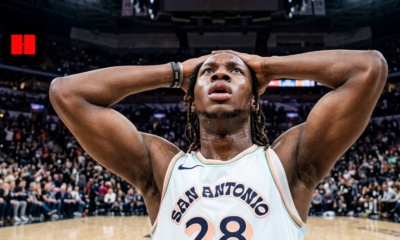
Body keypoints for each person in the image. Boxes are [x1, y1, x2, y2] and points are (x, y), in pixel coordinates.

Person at [50, 49, 387, 239]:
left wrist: (266, 66)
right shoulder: (163, 168)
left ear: (255, 100)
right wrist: (178, 71)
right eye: (208, 71)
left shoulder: (288, 163)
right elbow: (67, 93)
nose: (220, 74)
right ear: (191, 100)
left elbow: (368, 69)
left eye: (235, 72)